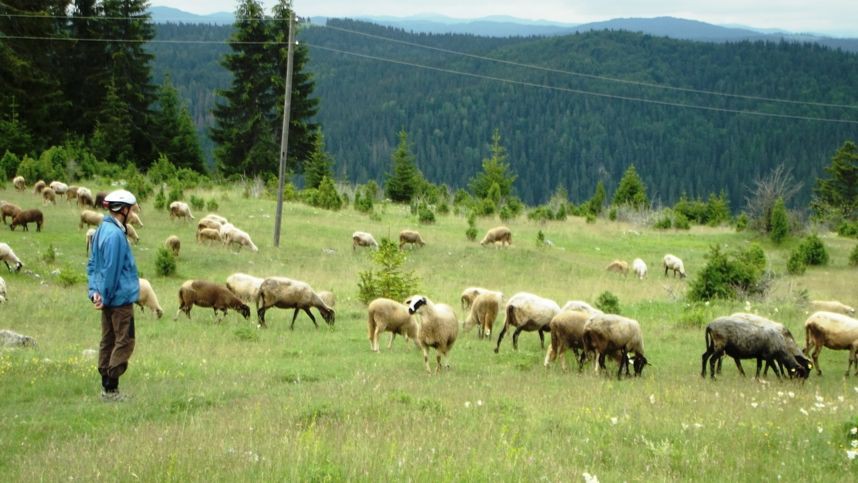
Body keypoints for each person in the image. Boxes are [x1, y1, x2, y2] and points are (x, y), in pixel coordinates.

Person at [86, 189, 140, 401]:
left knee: (108, 339)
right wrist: (105, 296)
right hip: (118, 300)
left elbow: (92, 265)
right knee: (125, 340)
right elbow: (112, 270)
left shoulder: (101, 229)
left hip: (106, 297)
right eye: (131, 209)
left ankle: (106, 387)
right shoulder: (116, 236)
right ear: (123, 210)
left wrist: (94, 293)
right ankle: (111, 388)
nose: (133, 213)